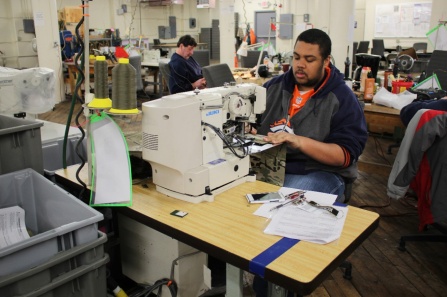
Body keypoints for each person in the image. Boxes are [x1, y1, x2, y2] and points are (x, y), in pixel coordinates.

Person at [252, 28, 368, 297]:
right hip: (271, 167)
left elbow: (345, 155)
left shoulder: (342, 98)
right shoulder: (274, 87)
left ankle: (273, 289)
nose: (300, 65)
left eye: (309, 59)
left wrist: (300, 141)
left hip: (320, 172)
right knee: (231, 199)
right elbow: (252, 124)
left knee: (283, 214)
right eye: (296, 57)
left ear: (326, 61)